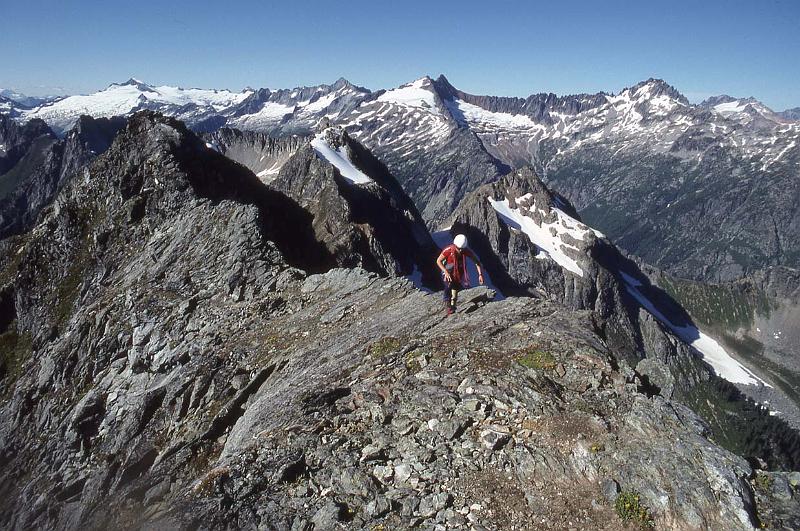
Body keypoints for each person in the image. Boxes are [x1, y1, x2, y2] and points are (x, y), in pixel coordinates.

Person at [436, 234, 484, 315]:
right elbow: (438, 261)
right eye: (459, 249)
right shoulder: (448, 250)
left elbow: (477, 262)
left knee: (455, 292)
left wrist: (480, 274)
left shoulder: (465, 251)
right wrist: (445, 271)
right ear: (455, 245)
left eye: (462, 249)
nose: (461, 251)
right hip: (448, 272)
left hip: (458, 274)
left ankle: (452, 307)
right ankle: (447, 304)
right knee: (448, 285)